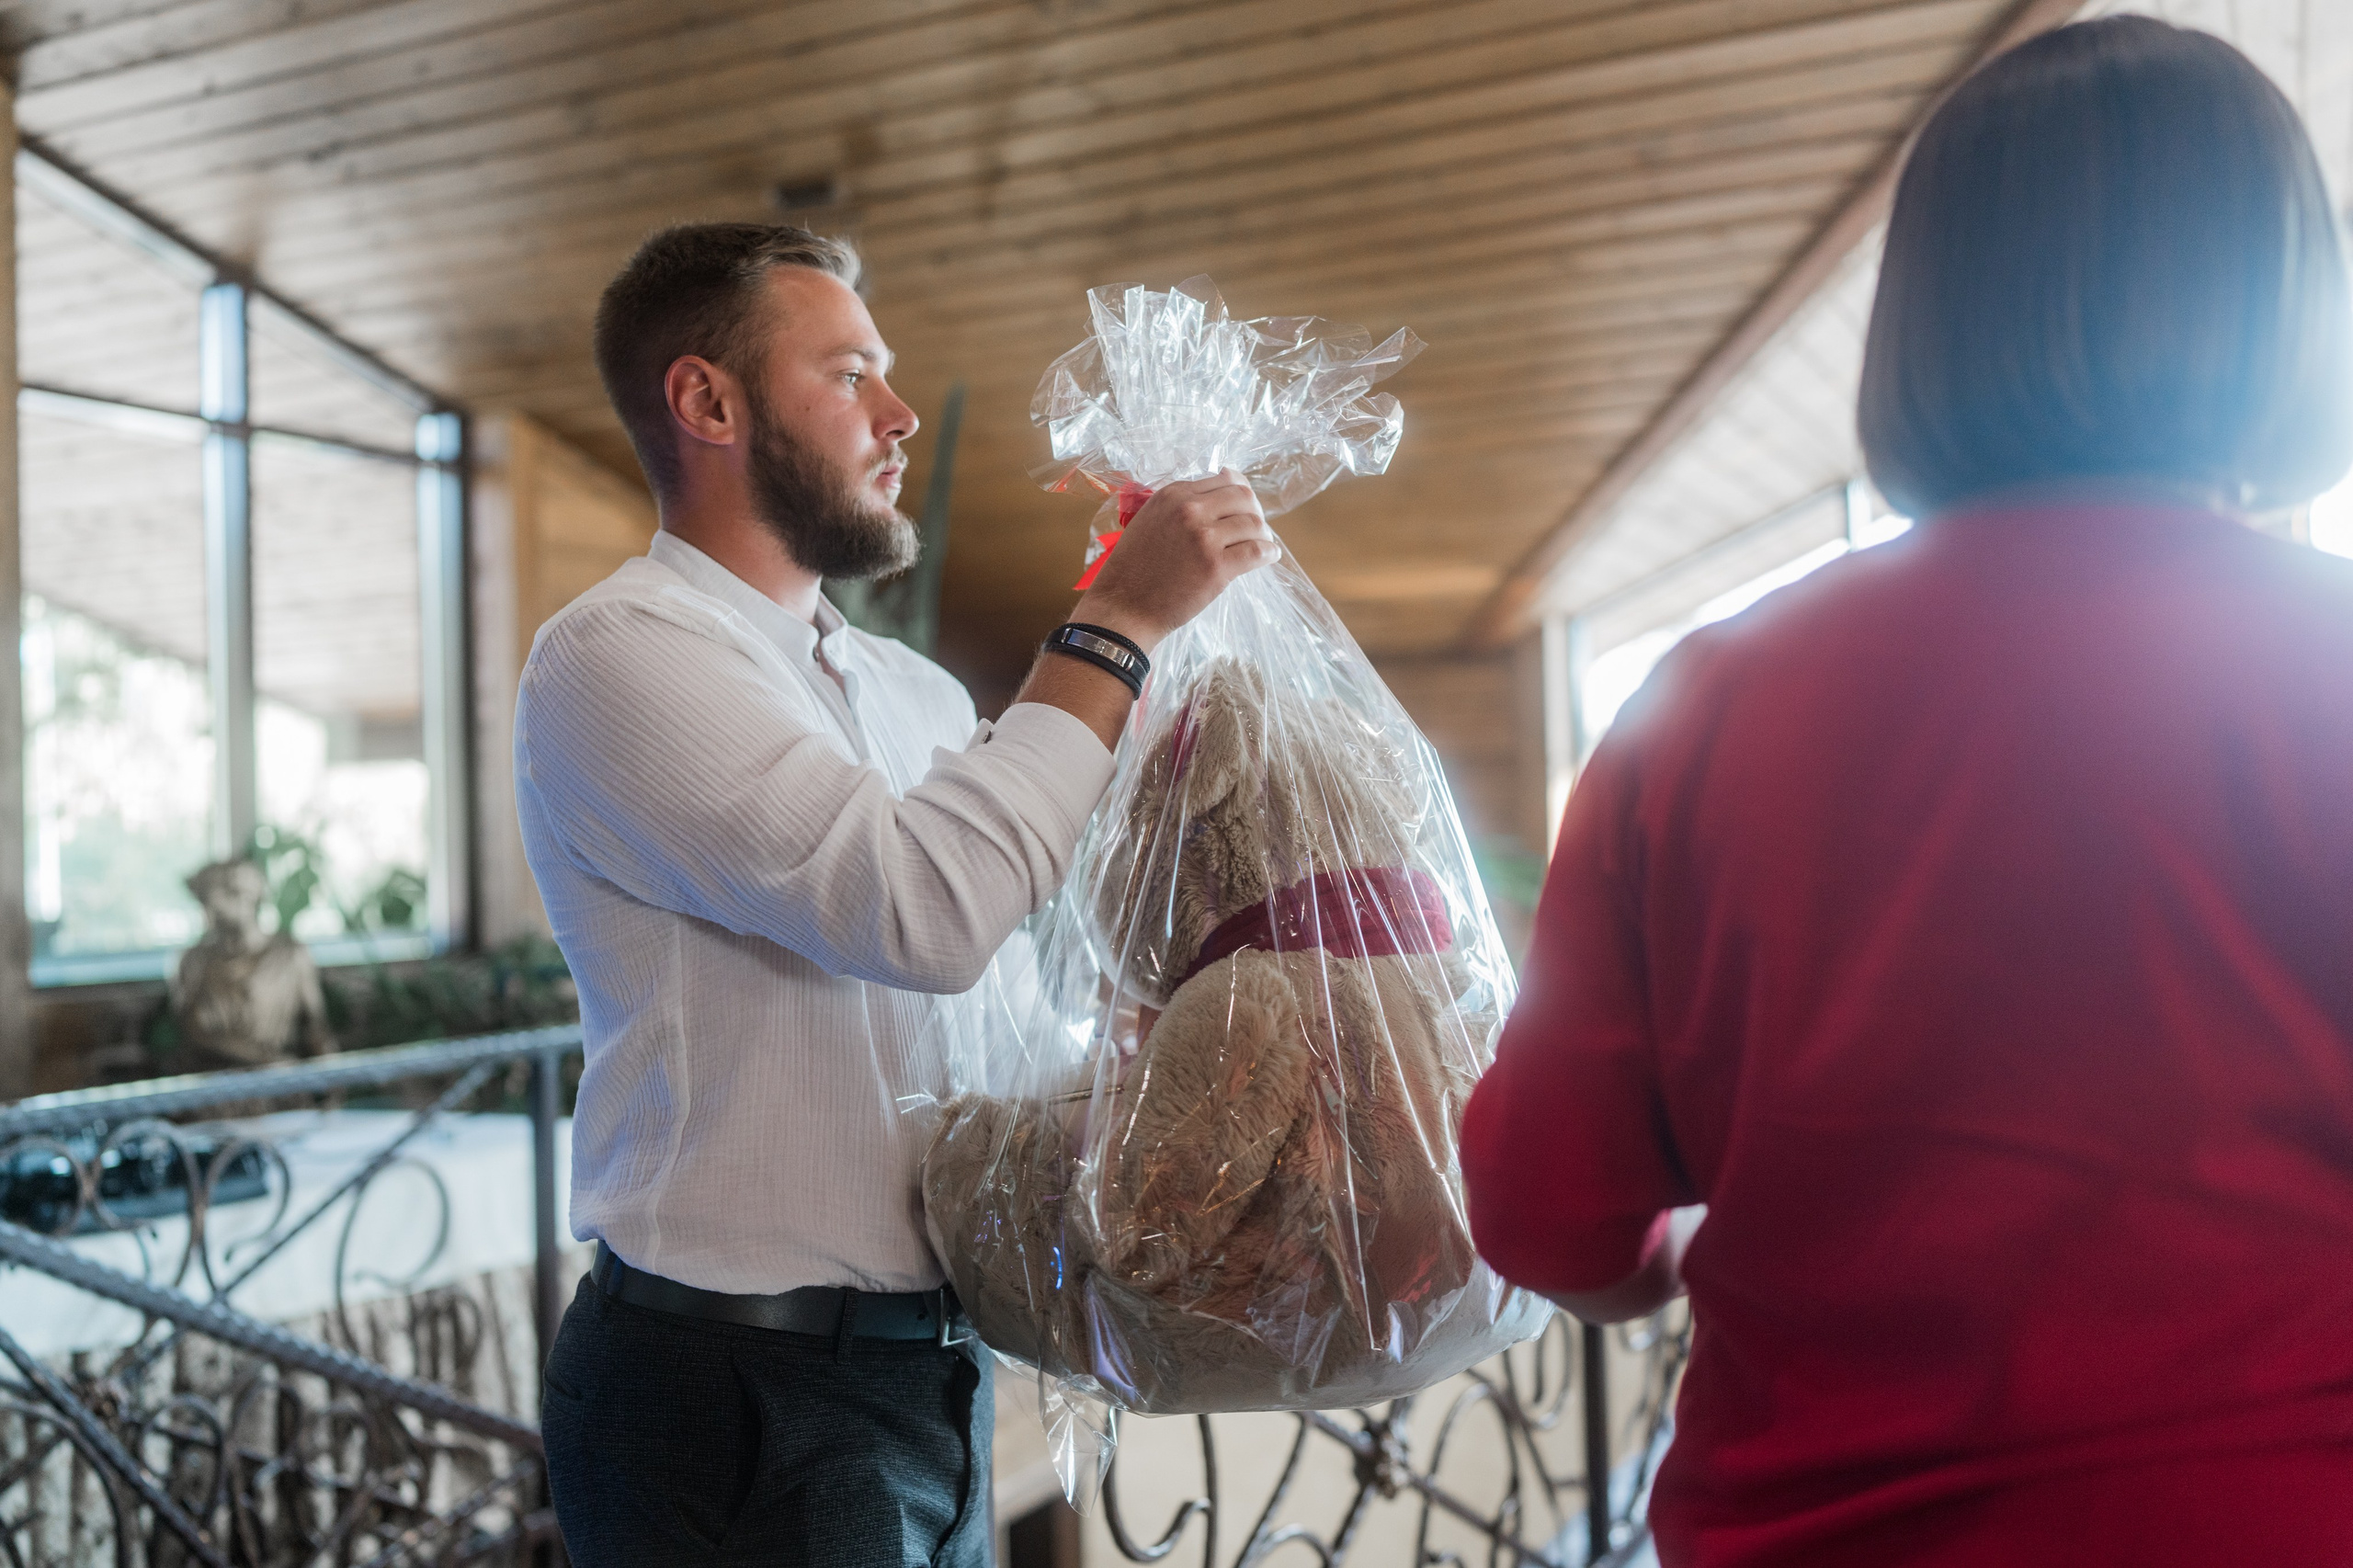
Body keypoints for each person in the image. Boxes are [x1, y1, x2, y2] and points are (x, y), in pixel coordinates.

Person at [1461, 17, 2353, 1566]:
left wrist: (1671, 1248)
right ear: (2287, 305)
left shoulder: (1702, 703)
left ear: (1924, 316)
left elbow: (1549, 1212)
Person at [517, 223, 1278, 1565]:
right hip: (728, 1395)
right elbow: (922, 911)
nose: (901, 412)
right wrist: (1118, 626)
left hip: (930, 1373)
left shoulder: (916, 696)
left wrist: (1168, 1080)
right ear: (708, 402)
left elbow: (996, 1025)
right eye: (852, 371)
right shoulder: (616, 657)